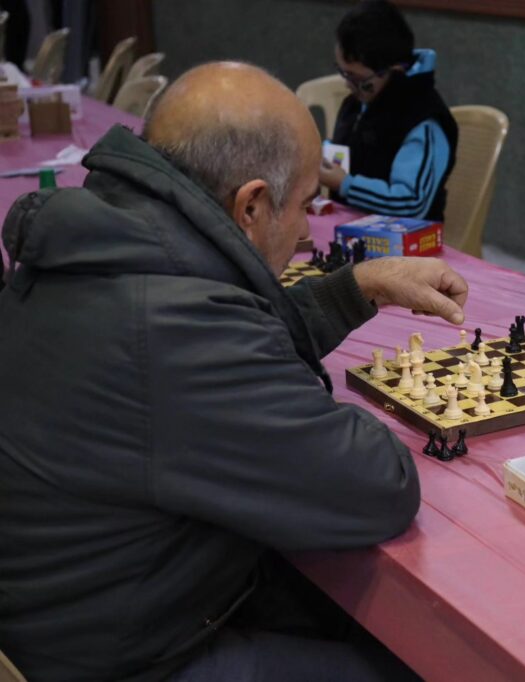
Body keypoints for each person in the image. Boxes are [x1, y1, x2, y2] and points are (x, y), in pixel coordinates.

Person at [0, 61, 469, 681]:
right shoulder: (177, 329)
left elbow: (214, 354)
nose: (305, 231)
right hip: (121, 658)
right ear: (250, 205)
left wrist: (354, 288)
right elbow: (377, 487)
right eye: (303, 205)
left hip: (76, 612)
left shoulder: (102, 245)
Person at [319, 0, 458, 222]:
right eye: (343, 72)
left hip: (406, 237)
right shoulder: (358, 103)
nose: (347, 84)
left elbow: (411, 203)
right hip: (351, 225)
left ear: (394, 71)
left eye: (356, 77)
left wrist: (345, 184)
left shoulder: (423, 120)